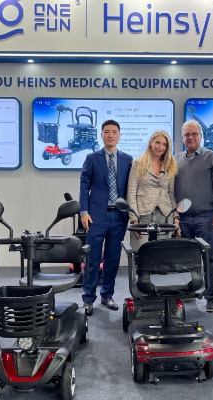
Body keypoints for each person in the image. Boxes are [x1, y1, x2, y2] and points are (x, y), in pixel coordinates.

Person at [174, 120, 213, 312]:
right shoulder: (176, 159)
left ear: (201, 136)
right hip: (183, 219)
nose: (190, 137)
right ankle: (189, 292)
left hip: (207, 217)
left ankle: (211, 297)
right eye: (187, 135)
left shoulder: (211, 157)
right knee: (186, 259)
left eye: (194, 134)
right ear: (182, 138)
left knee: (211, 258)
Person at [79, 119, 133, 316]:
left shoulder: (128, 160)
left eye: (114, 132)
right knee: (93, 258)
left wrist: (131, 214)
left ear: (119, 135)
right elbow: (84, 186)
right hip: (96, 216)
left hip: (119, 217)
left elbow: (131, 188)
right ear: (101, 135)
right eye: (107, 132)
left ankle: (107, 295)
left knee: (112, 258)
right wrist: (84, 212)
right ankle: (88, 298)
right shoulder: (92, 158)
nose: (110, 135)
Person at [127, 130, 178, 251]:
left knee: (162, 254)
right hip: (142, 214)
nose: (161, 147)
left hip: (165, 215)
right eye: (158, 143)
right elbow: (131, 193)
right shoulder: (138, 163)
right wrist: (134, 220)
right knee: (140, 252)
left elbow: (171, 194)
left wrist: (176, 218)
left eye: (164, 144)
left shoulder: (170, 165)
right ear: (151, 143)